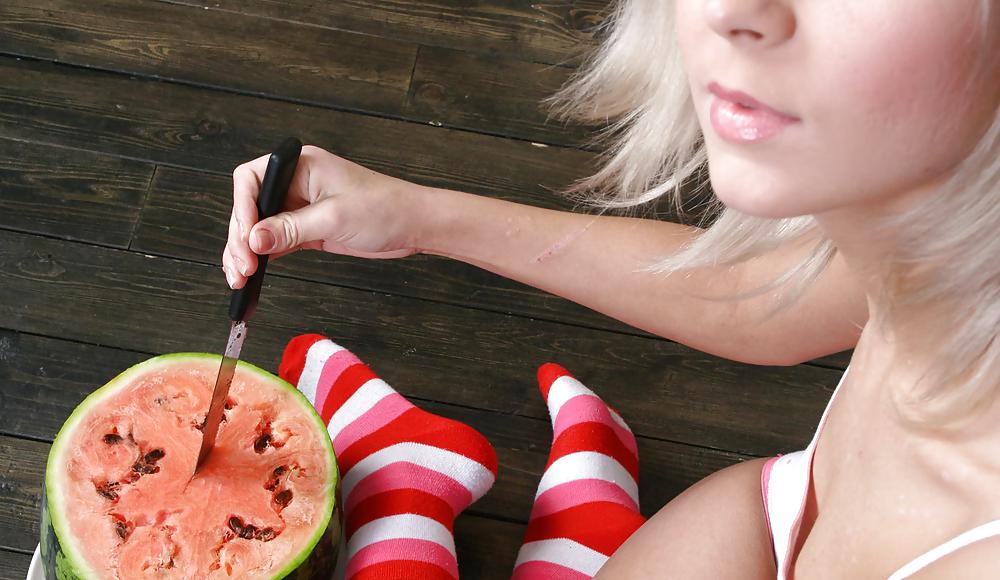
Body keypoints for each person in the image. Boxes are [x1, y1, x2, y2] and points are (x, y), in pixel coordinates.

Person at [223, 0, 999, 577]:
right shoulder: (948, 253)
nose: (732, 11)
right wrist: (415, 215)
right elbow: (790, 299)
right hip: (780, 520)